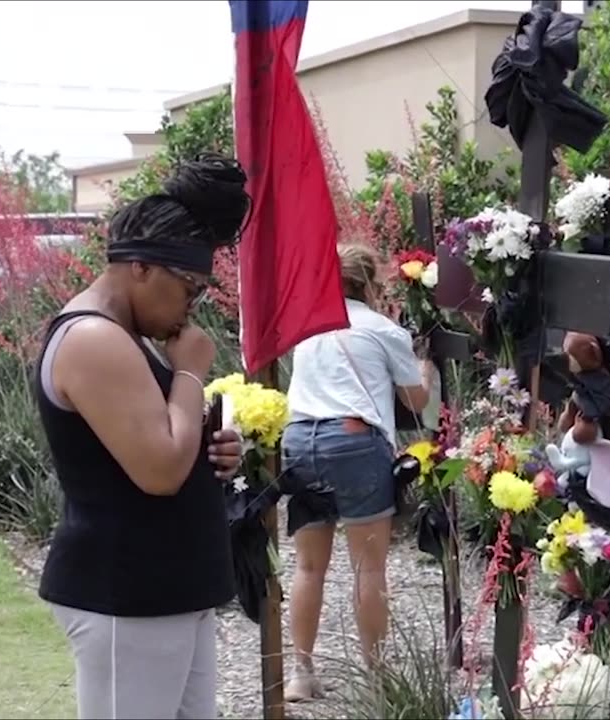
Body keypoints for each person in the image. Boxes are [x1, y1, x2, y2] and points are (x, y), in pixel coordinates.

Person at [34, 153, 250, 719]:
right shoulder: (92, 339)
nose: (192, 308)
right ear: (141, 268)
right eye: (190, 288)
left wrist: (214, 443)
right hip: (127, 594)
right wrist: (189, 372)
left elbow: (164, 439)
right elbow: (158, 470)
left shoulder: (129, 336)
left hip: (167, 590)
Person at [282, 242, 436, 701]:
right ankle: (377, 679)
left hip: (299, 440)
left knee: (309, 566)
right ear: (371, 284)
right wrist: (425, 367)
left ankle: (301, 672)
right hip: (353, 441)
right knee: (368, 569)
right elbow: (415, 401)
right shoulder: (383, 330)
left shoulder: (308, 328)